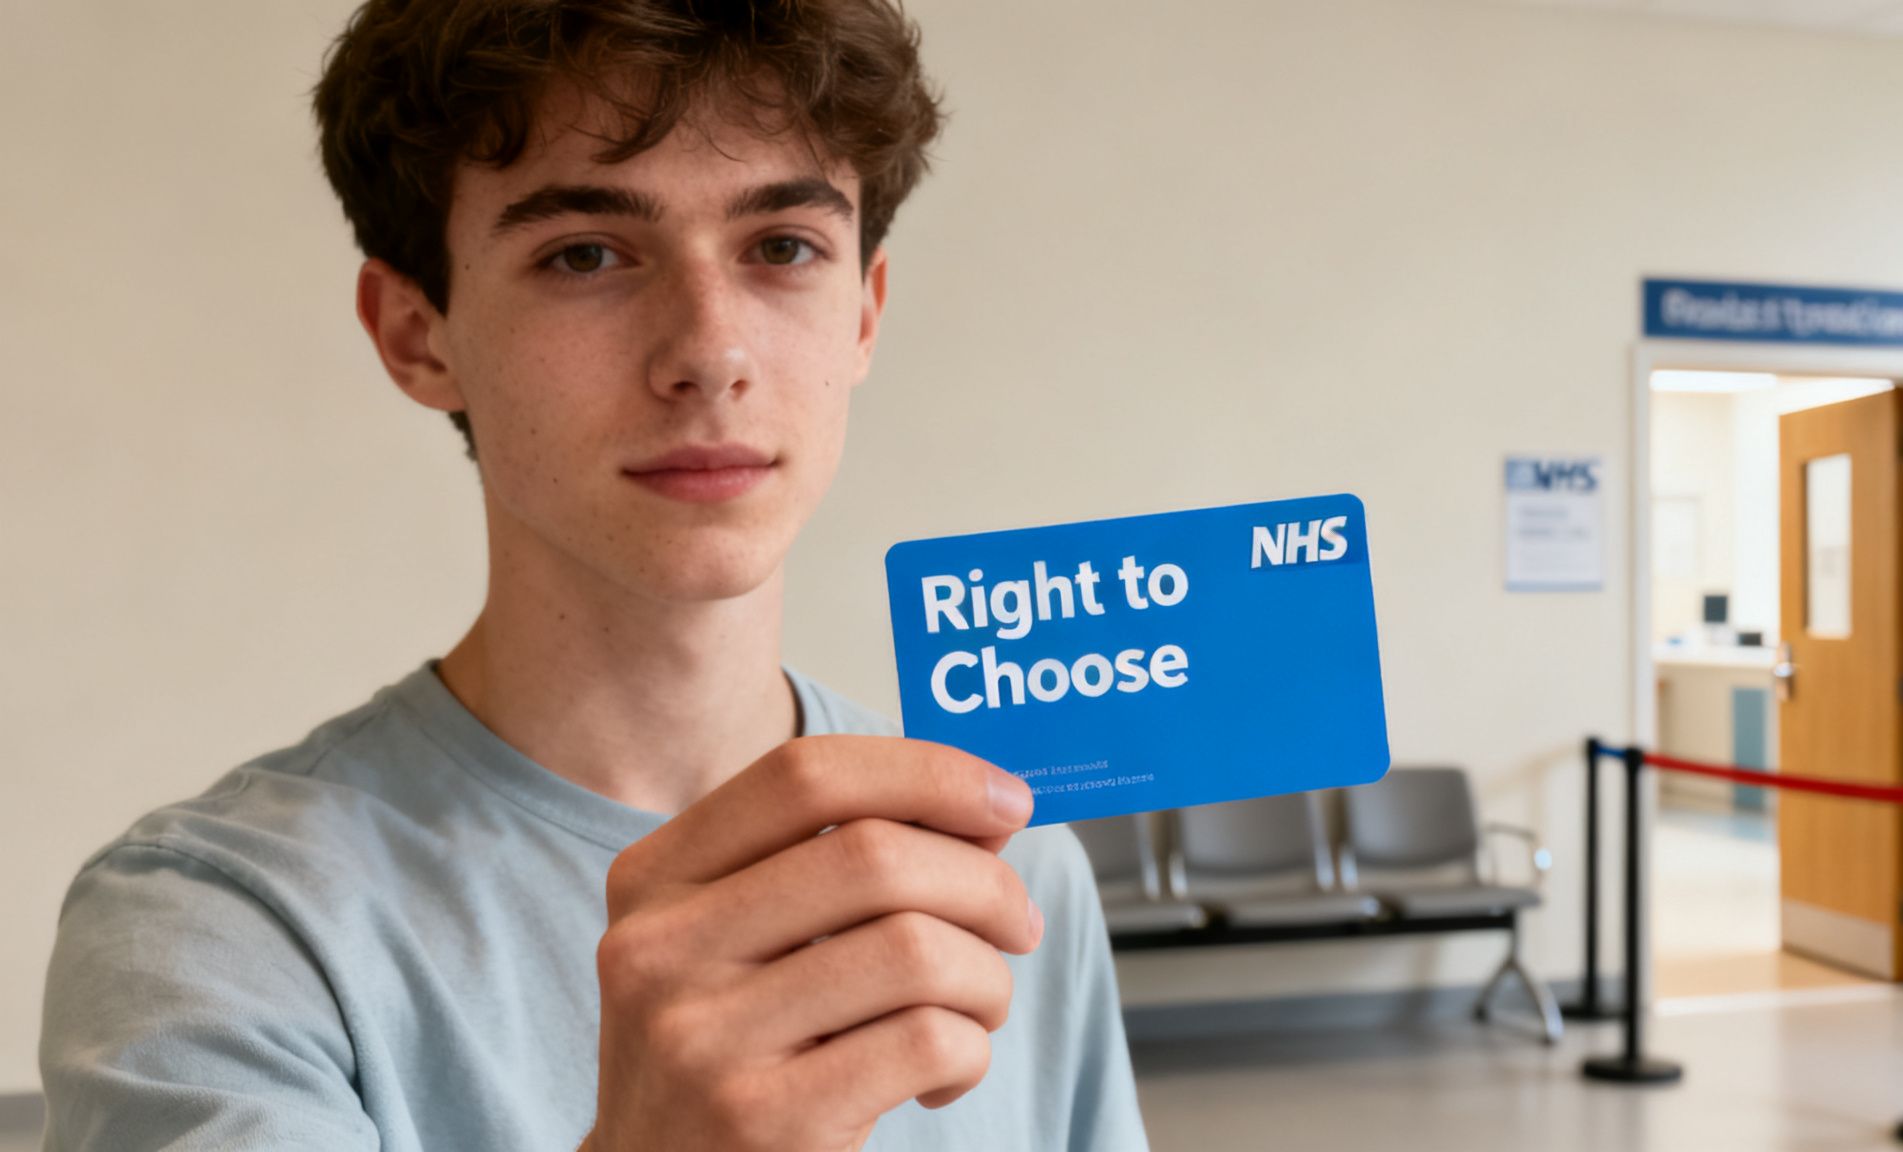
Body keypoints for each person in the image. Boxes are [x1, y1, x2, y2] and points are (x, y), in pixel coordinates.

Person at [36, 1, 1149, 1148]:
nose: (709, 354)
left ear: (861, 316)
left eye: (781, 247)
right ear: (419, 336)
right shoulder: (214, 927)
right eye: (585, 254)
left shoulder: (1005, 869)